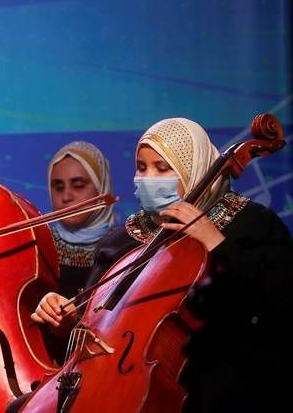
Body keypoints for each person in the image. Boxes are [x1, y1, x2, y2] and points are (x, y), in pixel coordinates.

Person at [30, 117, 293, 412]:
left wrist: (217, 244)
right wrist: (65, 323)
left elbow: (276, 313)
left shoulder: (252, 225)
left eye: (162, 168)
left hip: (222, 390)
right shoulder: (120, 242)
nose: (148, 178)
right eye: (141, 168)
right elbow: (93, 331)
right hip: (116, 389)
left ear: (194, 169)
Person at [47, 140, 115, 298]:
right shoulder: (41, 246)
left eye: (78, 186)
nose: (66, 196)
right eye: (58, 187)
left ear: (101, 188)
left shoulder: (120, 248)